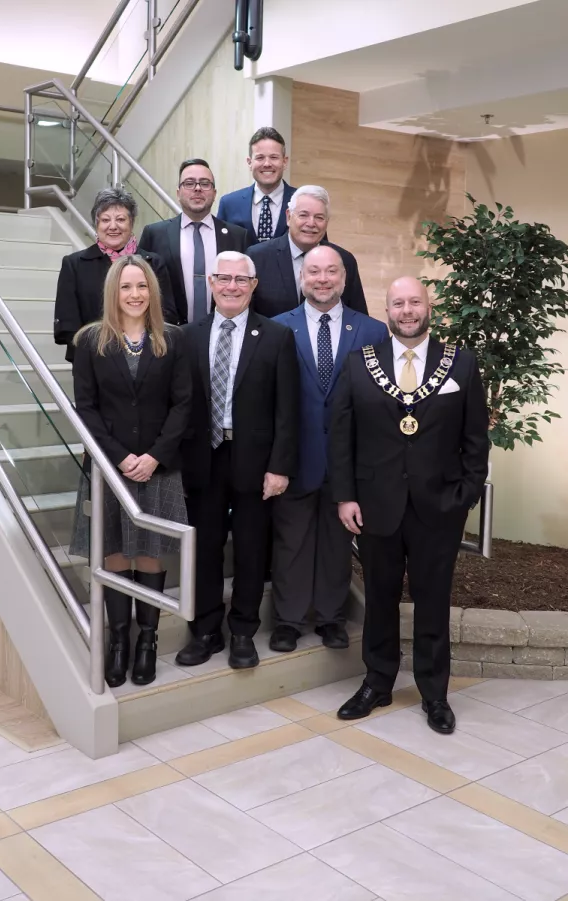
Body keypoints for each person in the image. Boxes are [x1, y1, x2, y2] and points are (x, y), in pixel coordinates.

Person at [330, 276, 489, 734]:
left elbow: (475, 439)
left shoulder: (460, 364)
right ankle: (377, 683)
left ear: (429, 306)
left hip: (439, 507)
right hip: (375, 505)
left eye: (414, 302)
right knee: (379, 598)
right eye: (398, 303)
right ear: (387, 310)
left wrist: (466, 496)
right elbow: (342, 436)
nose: (406, 310)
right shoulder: (360, 364)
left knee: (433, 601)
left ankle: (434, 693)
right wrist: (345, 496)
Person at [70, 255, 191, 689]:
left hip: (160, 466)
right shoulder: (90, 341)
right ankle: (119, 642)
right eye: (126, 287)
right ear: (113, 292)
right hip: (109, 467)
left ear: (152, 292)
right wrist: (120, 457)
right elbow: (86, 408)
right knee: (117, 550)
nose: (135, 294)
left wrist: (154, 455)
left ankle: (148, 643)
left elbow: (183, 405)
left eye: (142, 286)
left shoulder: (172, 340)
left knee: (151, 551)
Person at [175, 251, 299, 670]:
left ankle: (243, 630)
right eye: (223, 278)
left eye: (240, 279)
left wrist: (280, 466)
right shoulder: (187, 336)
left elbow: (288, 409)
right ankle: (206, 630)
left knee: (250, 548)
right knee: (205, 548)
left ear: (254, 284)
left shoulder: (277, 336)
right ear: (210, 282)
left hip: (255, 460)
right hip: (202, 459)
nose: (231, 286)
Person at [270, 246, 389, 652]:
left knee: (338, 543)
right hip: (294, 458)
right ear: (302, 277)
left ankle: (331, 617)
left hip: (348, 463)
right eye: (314, 271)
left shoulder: (372, 332)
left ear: (344, 278)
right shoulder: (277, 328)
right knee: (291, 542)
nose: (322, 279)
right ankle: (288, 620)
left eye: (331, 272)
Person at [54, 188, 177, 362]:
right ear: (96, 224)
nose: (113, 226)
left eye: (120, 219)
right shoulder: (74, 264)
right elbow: (68, 324)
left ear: (131, 223)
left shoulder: (154, 263)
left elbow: (168, 314)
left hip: (148, 362)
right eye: (105, 220)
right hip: (93, 362)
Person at [138, 159, 249, 324]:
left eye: (205, 183)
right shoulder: (154, 234)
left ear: (214, 192)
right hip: (169, 334)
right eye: (189, 183)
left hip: (223, 332)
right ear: (178, 193)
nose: (197, 188)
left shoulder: (238, 236)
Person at [247, 185, 367, 316]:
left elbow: (358, 317)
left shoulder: (343, 260)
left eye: (319, 217)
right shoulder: (257, 257)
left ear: (327, 222)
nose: (311, 223)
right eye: (303, 215)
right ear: (288, 217)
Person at [217, 127, 296, 246]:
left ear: (284, 162)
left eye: (274, 157)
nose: (267, 164)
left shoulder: (303, 200)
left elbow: (319, 248)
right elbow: (220, 249)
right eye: (260, 158)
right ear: (249, 163)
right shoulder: (229, 204)